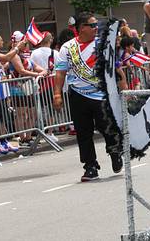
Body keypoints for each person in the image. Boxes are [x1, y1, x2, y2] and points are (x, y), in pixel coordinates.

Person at [53, 12, 122, 182]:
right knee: (83, 133)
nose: (96, 28)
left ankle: (114, 152)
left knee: (107, 127)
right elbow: (60, 72)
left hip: (101, 95)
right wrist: (56, 93)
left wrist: (124, 89)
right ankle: (90, 166)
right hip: (78, 95)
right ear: (82, 28)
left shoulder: (103, 44)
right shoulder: (67, 48)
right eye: (92, 25)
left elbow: (116, 68)